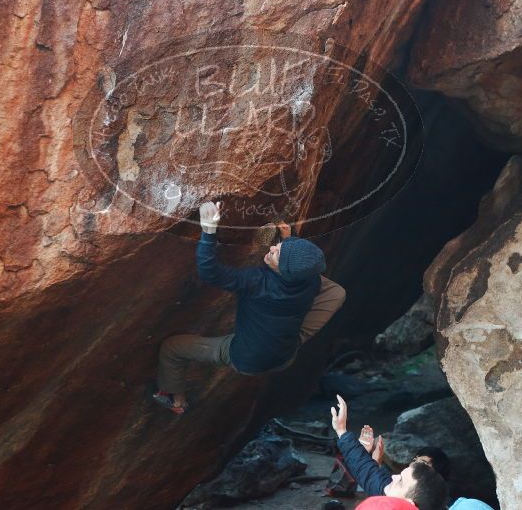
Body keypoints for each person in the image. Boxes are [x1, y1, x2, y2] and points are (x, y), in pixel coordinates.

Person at [154, 201, 345, 413]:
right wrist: (290, 241)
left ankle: (174, 398)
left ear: (284, 271)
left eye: (276, 254)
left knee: (172, 348)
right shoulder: (310, 283)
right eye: (278, 247)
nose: (272, 248)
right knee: (337, 292)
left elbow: (210, 272)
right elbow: (300, 269)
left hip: (248, 358)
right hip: (285, 354)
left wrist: (208, 230)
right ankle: (287, 329)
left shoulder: (256, 283)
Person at [331, 394, 447, 510]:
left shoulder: (385, 502)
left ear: (409, 503)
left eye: (401, 481)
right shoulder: (392, 492)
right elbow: (368, 472)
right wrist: (342, 431)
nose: (394, 476)